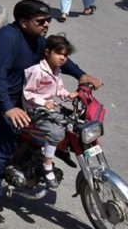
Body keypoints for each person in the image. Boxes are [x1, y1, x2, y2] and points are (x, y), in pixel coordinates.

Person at [0, 0, 102, 225]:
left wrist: (81, 75)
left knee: (49, 128)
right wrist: (8, 107)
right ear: (24, 22)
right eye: (41, 21)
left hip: (21, 99)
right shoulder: (6, 41)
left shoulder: (35, 40)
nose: (47, 24)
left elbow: (55, 57)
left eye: (48, 20)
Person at [22, 34, 79, 189]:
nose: (62, 58)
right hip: (34, 110)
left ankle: (60, 150)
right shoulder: (36, 71)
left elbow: (58, 88)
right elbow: (28, 93)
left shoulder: (56, 70)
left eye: (65, 55)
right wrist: (43, 102)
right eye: (59, 53)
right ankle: (47, 165)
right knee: (56, 132)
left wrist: (68, 95)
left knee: (74, 123)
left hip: (49, 108)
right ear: (47, 52)